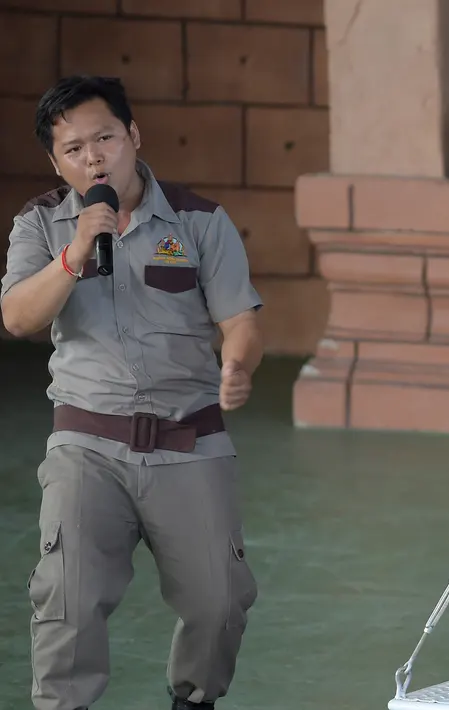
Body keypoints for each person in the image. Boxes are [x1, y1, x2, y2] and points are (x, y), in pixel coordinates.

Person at [1, 75, 263, 710]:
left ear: (133, 136)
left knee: (220, 601)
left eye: (105, 138)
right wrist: (75, 253)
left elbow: (242, 322)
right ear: (56, 161)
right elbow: (16, 317)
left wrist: (238, 363)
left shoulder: (200, 220)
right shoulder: (40, 224)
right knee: (66, 600)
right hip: (87, 443)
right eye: (74, 149)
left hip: (190, 438)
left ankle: (192, 701)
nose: (94, 157)